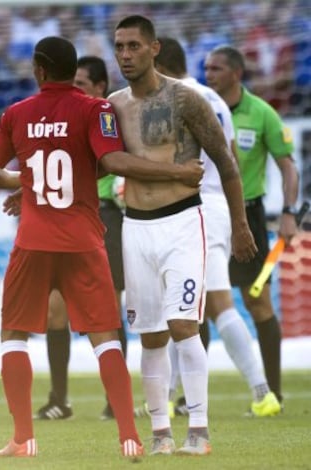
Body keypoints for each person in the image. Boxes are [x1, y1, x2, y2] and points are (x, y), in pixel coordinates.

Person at [0, 36, 204, 459]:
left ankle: (24, 438)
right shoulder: (96, 110)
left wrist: (23, 182)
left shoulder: (16, 114)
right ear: (71, 69)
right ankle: (129, 437)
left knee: (13, 336)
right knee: (106, 338)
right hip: (83, 239)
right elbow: (108, 160)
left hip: (33, 241)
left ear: (39, 70)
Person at [108, 16, 257, 456]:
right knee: (150, 335)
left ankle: (199, 428)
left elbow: (227, 165)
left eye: (134, 46)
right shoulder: (113, 106)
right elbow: (98, 162)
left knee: (183, 326)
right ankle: (159, 434)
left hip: (182, 224)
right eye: (119, 47)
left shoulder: (186, 99)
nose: (125, 55)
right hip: (135, 226)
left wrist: (241, 224)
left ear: (154, 49)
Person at [154, 37, 282, 417]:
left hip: (195, 208)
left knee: (216, 304)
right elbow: (230, 162)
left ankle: (262, 392)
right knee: (187, 306)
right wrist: (236, 217)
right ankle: (175, 393)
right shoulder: (215, 100)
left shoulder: (174, 99)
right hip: (216, 206)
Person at [204, 45, 299, 408]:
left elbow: (287, 165)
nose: (208, 73)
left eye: (216, 68)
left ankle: (272, 390)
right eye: (206, 67)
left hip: (248, 215)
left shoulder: (262, 114)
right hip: (208, 213)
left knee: (256, 300)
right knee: (198, 302)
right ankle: (186, 398)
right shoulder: (201, 105)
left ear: (236, 73)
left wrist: (289, 211)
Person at [34, 55, 127, 421]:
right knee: (55, 308)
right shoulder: (55, 117)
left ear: (101, 87)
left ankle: (114, 399)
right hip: (60, 217)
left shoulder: (107, 116)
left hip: (103, 215)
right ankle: (59, 399)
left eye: (82, 84)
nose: (74, 90)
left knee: (109, 310)